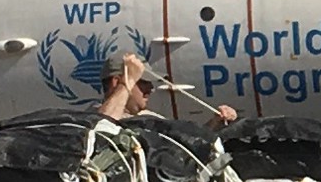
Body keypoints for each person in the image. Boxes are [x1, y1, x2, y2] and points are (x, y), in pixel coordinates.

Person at [99, 37, 232, 126]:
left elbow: (184, 147)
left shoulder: (150, 118)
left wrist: (215, 124)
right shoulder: (88, 121)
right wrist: (126, 83)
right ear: (116, 82)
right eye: (142, 82)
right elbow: (101, 129)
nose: (150, 89)